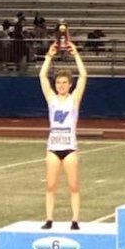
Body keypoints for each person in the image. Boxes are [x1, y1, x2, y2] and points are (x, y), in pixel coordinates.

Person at [37, 41, 87, 229]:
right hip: (53, 148)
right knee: (50, 186)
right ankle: (49, 219)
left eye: (64, 82)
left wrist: (75, 54)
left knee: (73, 186)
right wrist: (49, 56)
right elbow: (42, 76)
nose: (61, 85)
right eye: (58, 82)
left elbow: (84, 75)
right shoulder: (51, 98)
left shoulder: (74, 99)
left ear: (69, 84)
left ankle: (75, 219)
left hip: (69, 148)